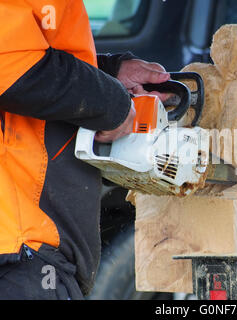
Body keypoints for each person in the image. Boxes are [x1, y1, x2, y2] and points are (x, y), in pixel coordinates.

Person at [0, 0, 169, 299]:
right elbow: (10, 64)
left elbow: (27, 48)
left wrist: (104, 72)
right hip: (16, 250)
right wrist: (109, 102)